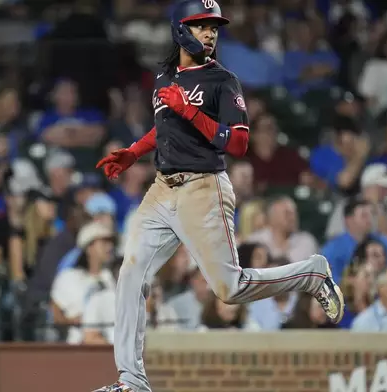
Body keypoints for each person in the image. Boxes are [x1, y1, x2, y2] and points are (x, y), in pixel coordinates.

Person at [92, 2, 345, 392]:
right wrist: (133, 153)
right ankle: (131, 382)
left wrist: (191, 113)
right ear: (181, 30)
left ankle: (311, 273)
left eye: (214, 27)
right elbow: (165, 129)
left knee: (230, 289)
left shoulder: (222, 81)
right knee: (130, 274)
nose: (210, 34)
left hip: (203, 187)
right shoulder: (164, 76)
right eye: (202, 26)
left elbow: (240, 143)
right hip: (162, 187)